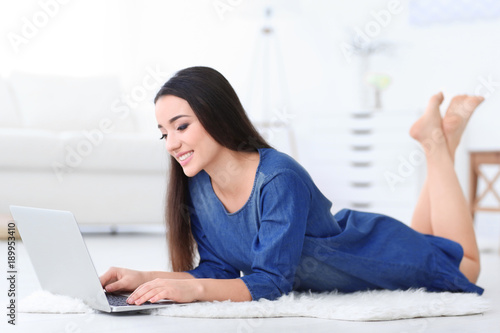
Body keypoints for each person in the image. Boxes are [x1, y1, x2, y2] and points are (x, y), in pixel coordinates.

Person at [100, 66, 485, 305]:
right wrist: (147, 278)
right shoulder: (199, 186)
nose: (172, 144)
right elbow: (217, 270)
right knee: (424, 239)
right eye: (163, 133)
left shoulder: (278, 176)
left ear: (217, 115)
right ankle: (443, 135)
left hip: (370, 250)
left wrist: (193, 292)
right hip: (367, 250)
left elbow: (270, 282)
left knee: (466, 266)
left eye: (181, 126)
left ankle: (437, 144)